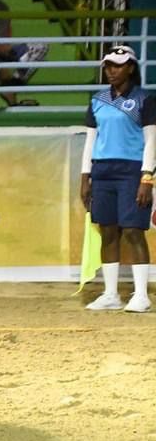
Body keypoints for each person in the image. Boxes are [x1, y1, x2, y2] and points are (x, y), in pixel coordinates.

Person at [81, 45, 155, 313]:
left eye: (119, 65)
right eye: (109, 65)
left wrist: (147, 177)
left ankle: (141, 295)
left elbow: (151, 141)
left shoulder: (145, 99)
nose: (112, 70)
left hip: (132, 170)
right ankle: (110, 294)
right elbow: (90, 141)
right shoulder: (97, 100)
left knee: (134, 230)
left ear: (131, 68)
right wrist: (85, 177)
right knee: (108, 231)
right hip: (102, 172)